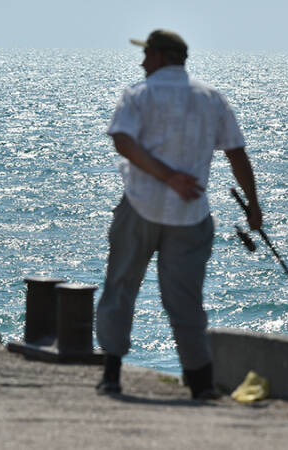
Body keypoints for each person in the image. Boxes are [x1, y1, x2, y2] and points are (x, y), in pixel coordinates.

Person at [95, 29, 262, 399]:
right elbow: (236, 153)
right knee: (186, 299)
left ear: (159, 57)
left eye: (146, 55)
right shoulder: (211, 98)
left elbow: (123, 141)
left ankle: (111, 373)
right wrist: (253, 206)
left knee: (121, 288)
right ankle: (200, 383)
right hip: (190, 215)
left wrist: (167, 177)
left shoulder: (139, 94)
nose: (142, 63)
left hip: (140, 206)